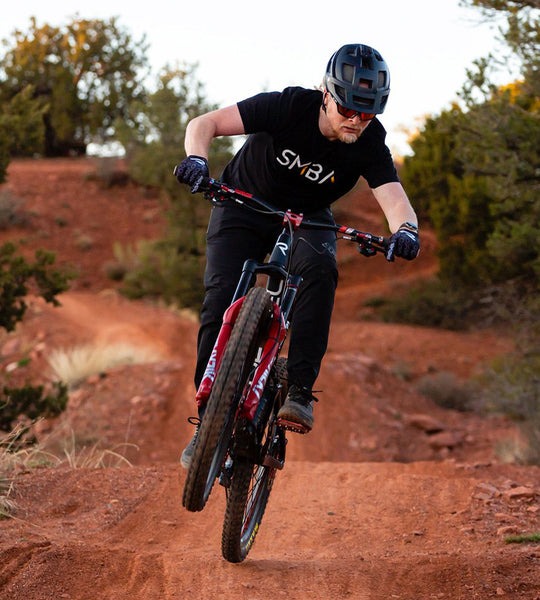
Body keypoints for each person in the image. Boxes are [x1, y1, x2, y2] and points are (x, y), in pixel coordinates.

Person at [175, 43, 420, 468]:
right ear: (327, 93)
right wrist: (196, 160)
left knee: (320, 270)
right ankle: (207, 424)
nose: (357, 121)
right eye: (349, 109)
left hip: (307, 217)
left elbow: (394, 198)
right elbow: (206, 122)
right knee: (219, 299)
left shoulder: (369, 141)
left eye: (369, 112)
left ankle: (299, 392)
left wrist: (406, 231)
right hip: (243, 202)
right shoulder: (288, 106)